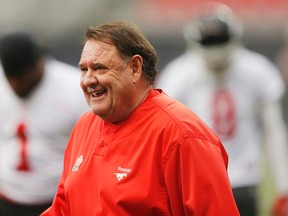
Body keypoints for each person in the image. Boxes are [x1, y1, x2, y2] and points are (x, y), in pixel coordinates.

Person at [40, 20, 239, 215]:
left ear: (135, 68)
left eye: (100, 68)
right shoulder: (84, 126)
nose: (88, 80)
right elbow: (63, 209)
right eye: (84, 69)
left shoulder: (183, 136)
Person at [156, 3, 288, 216]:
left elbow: (274, 132)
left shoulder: (257, 72)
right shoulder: (179, 76)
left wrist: (284, 188)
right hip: (201, 178)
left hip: (244, 178)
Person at [0, 32, 88, 216]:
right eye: (11, 78)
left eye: (22, 77)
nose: (15, 84)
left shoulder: (74, 89)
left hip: (56, 200)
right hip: (6, 197)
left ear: (40, 64)